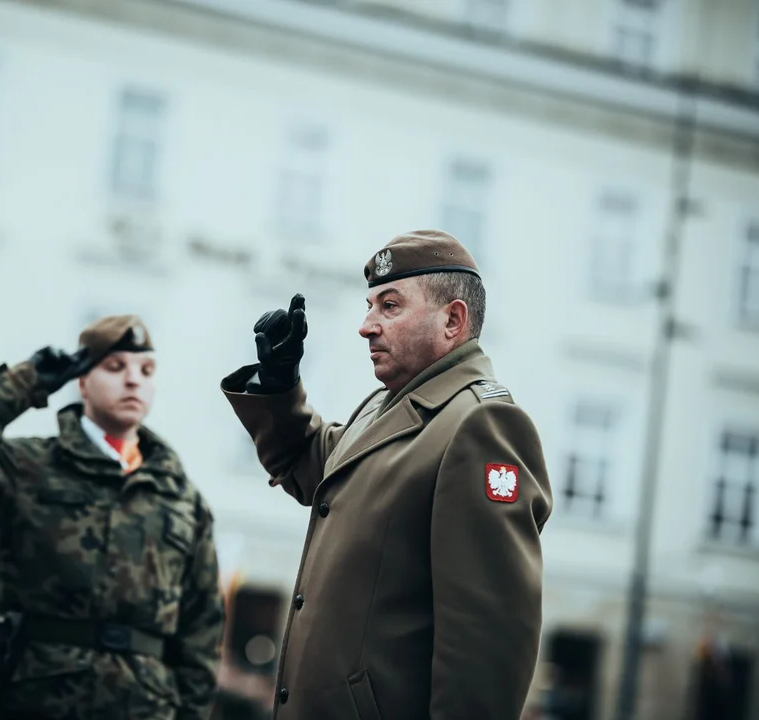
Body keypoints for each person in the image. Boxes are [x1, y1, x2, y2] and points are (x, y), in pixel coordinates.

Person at [220, 230, 553, 720]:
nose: (366, 326)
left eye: (390, 306)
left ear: (453, 320)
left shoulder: (481, 424)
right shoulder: (386, 407)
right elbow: (317, 466)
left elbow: (486, 643)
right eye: (370, 305)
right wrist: (279, 386)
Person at [0, 314, 225, 720]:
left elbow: (202, 629)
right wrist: (23, 383)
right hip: (34, 697)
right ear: (82, 381)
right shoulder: (29, 465)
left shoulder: (182, 497)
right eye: (114, 366)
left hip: (144, 706)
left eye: (146, 370)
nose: (133, 380)